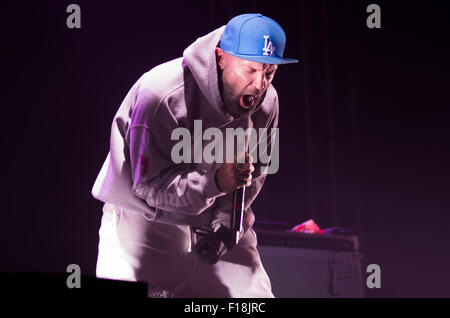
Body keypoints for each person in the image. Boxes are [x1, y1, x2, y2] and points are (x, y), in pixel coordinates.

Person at [91, 13, 298, 298]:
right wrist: (215, 183)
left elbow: (255, 174)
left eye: (269, 71)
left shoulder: (267, 102)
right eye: (250, 69)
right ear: (221, 57)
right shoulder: (160, 93)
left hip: (214, 220)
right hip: (144, 220)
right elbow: (148, 188)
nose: (259, 83)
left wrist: (227, 226)